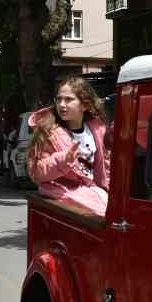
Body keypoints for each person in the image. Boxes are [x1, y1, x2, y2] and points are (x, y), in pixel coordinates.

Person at [29, 76, 110, 215]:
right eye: (58, 99)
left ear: (85, 105)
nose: (61, 104)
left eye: (68, 99)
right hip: (63, 193)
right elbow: (36, 173)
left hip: (94, 190)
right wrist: (63, 160)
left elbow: (106, 167)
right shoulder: (48, 133)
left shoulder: (98, 130)